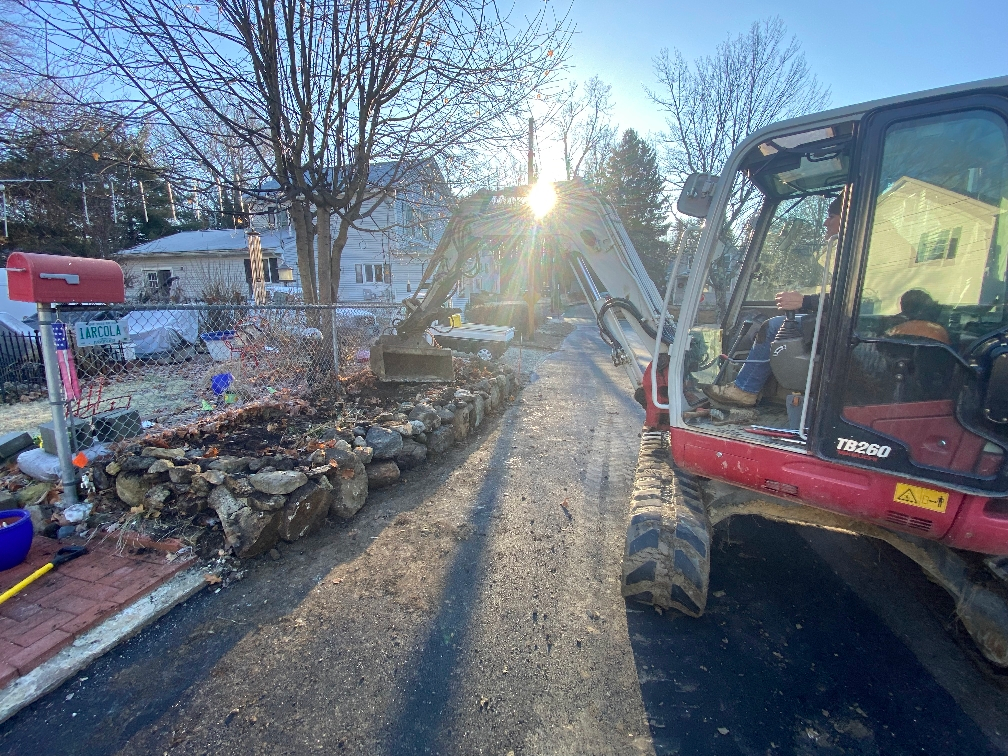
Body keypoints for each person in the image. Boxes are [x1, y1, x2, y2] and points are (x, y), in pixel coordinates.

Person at [702, 195, 843, 408]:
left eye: (831, 216)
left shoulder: (861, 250)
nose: (825, 222)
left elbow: (854, 299)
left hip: (847, 324)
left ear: (846, 218)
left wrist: (806, 301)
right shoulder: (845, 252)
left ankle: (745, 390)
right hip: (839, 319)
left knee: (773, 325)